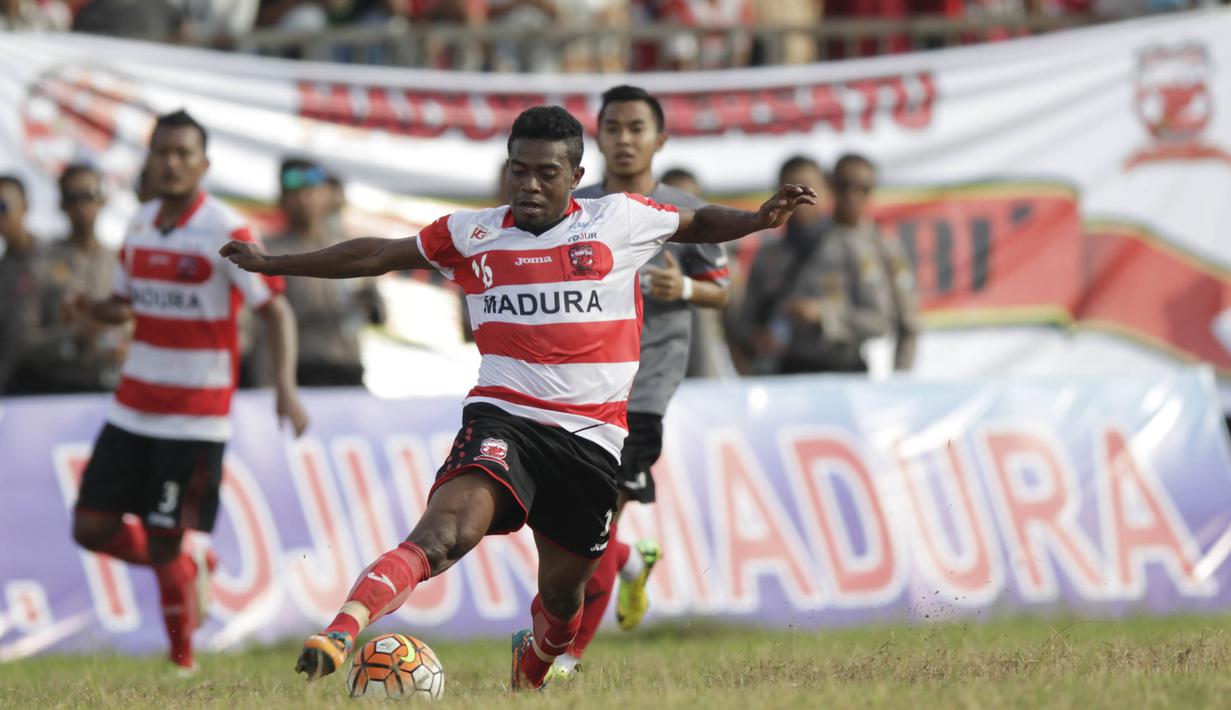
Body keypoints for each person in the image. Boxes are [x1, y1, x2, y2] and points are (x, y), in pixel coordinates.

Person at [219, 105, 815, 691]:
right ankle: (342, 630)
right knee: (443, 534)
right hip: (505, 420)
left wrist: (757, 219)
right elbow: (374, 254)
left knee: (562, 598)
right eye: (518, 170)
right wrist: (274, 263)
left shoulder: (619, 218)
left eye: (546, 173)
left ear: (576, 177)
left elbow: (697, 222)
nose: (529, 184)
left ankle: (533, 666)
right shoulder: (470, 233)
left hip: (591, 440)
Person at [65, 110, 310, 673]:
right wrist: (88, 310)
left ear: (204, 164)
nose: (172, 163)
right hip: (132, 407)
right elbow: (124, 304)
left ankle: (183, 663)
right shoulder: (140, 222)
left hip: (195, 417)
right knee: (91, 527)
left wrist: (285, 388)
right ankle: (189, 569)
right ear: (150, 160)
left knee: (164, 540)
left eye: (183, 154)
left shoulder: (227, 229)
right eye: (163, 153)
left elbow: (275, 310)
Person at [564, 85, 731, 673]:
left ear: (660, 139)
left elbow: (722, 291)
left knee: (590, 524)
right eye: (613, 128)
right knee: (570, 525)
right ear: (598, 137)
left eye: (637, 128)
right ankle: (631, 562)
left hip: (643, 392)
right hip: (579, 390)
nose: (624, 139)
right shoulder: (575, 207)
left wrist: (682, 287)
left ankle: (564, 661)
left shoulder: (686, 212)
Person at [751, 153, 920, 374]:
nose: (851, 197)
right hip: (787, 370)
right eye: (843, 186)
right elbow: (748, 321)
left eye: (863, 189)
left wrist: (822, 314)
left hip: (843, 367)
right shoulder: (773, 253)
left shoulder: (871, 245)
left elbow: (896, 322)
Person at [249, 158, 384, 387]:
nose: (305, 199)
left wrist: (372, 305)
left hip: (350, 368)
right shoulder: (269, 254)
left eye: (312, 190)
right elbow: (260, 327)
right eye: (296, 193)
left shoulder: (351, 247)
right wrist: (267, 387)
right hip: (300, 371)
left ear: (327, 194)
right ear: (282, 199)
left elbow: (378, 314)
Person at [12, 164, 126, 394]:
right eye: (73, 198)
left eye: (89, 196)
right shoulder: (40, 262)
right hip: (54, 390)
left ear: (103, 200)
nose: (82, 206)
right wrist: (74, 336)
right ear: (62, 205)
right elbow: (20, 340)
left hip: (110, 389)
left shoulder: (119, 262)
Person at [0, 174, 39, 393]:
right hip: (11, 387)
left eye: (2, 207)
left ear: (24, 207)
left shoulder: (55, 259)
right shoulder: (3, 269)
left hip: (53, 384)